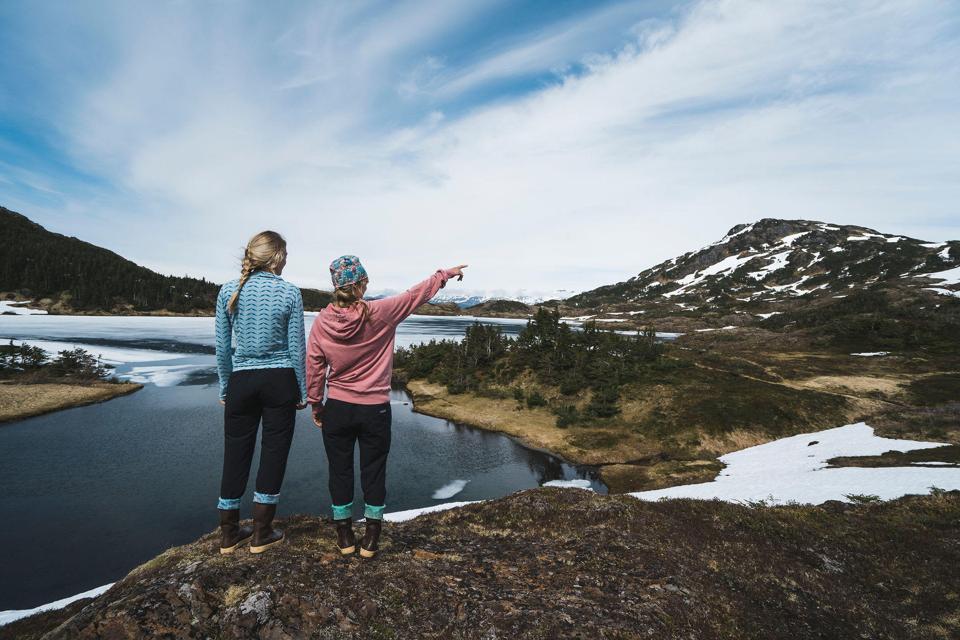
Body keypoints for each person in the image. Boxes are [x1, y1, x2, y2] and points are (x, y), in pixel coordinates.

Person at [307, 256, 466, 558]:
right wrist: (444, 274)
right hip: (375, 410)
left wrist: (316, 403)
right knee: (374, 470)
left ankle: (344, 536)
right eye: (366, 281)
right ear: (361, 284)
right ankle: (371, 538)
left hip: (338, 408)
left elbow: (314, 365)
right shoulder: (382, 312)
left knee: (339, 471)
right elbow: (416, 295)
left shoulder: (322, 322)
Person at [214, 231, 307, 555]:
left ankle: (228, 534)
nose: (286, 260)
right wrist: (302, 390)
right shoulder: (290, 292)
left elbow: (222, 348)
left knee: (235, 454)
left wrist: (226, 386)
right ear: (277, 257)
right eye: (285, 255)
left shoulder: (228, 290)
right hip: (279, 380)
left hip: (241, 381)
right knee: (273, 453)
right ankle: (261, 532)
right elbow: (297, 348)